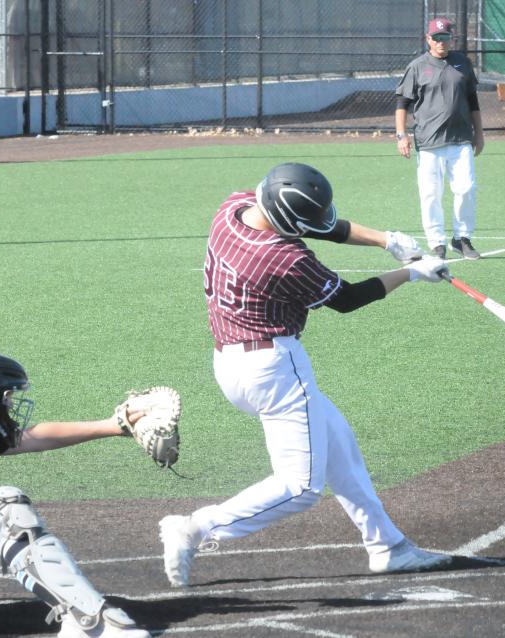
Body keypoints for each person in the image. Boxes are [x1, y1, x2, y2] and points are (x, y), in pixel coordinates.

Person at [157, 162, 453, 588]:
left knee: (337, 441)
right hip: (274, 369)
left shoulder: (233, 207)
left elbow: (316, 225)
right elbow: (348, 299)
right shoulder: (284, 257)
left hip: (230, 362)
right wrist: (410, 272)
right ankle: (196, 527)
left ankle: (389, 546)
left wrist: (387, 240)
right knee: (301, 488)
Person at [0, 351, 151, 638]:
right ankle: (91, 624)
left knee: (7, 509)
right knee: (7, 512)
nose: (10, 404)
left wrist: (111, 426)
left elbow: (33, 437)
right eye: (6, 396)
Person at [395, 16, 485, 261]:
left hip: (461, 139)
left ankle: (462, 239)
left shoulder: (462, 64)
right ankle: (437, 243)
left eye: (445, 37)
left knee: (466, 188)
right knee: (430, 194)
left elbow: (473, 102)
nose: (441, 42)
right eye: (437, 38)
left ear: (451, 38)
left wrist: (479, 133)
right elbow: (402, 103)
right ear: (428, 39)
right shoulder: (417, 66)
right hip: (429, 142)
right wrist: (401, 135)